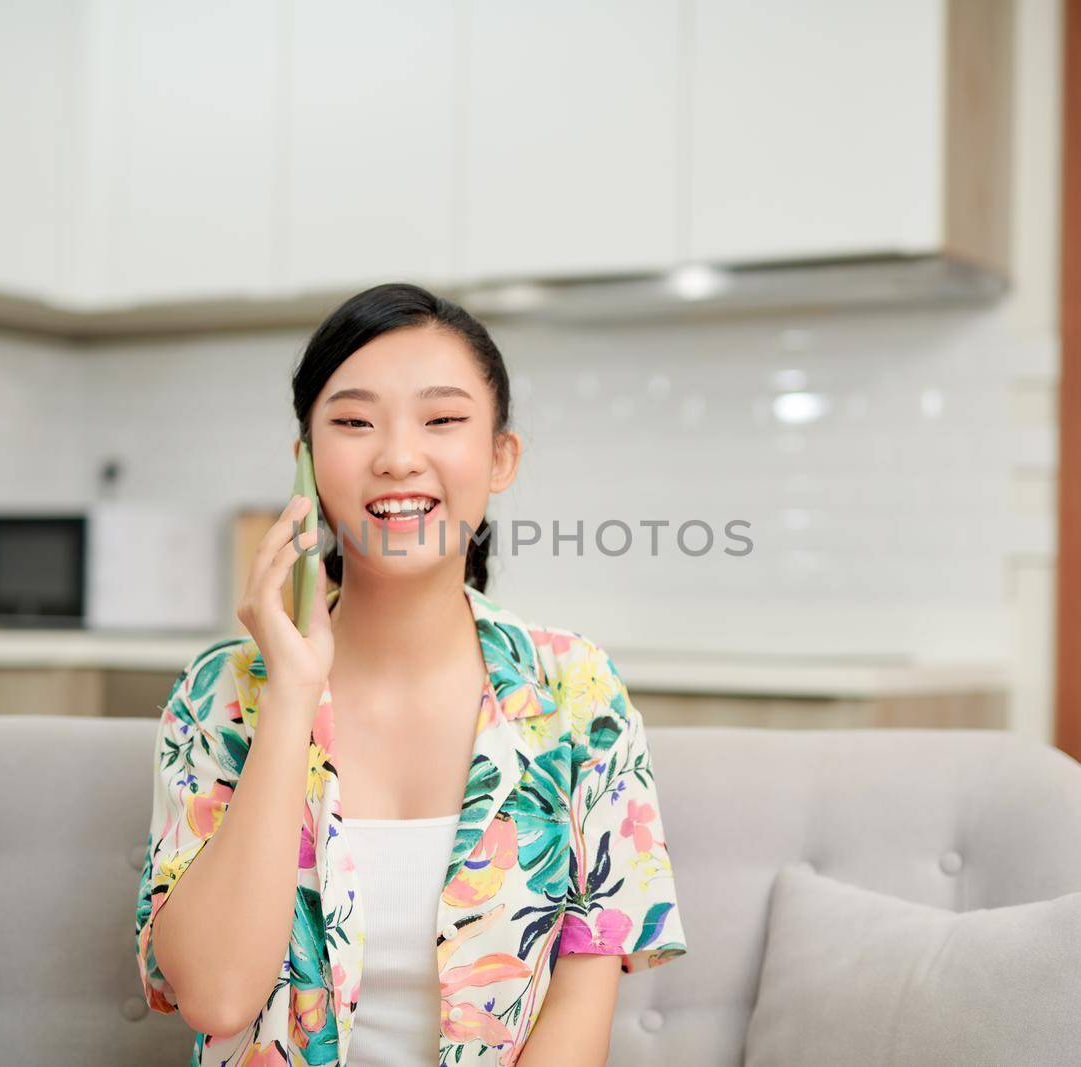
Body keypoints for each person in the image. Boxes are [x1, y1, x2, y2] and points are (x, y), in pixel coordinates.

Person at [133, 282, 688, 1067]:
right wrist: (292, 694)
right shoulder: (219, 693)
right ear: (305, 460)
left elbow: (580, 1009)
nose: (396, 456)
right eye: (354, 422)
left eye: (442, 419)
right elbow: (217, 997)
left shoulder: (576, 690)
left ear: (501, 457)